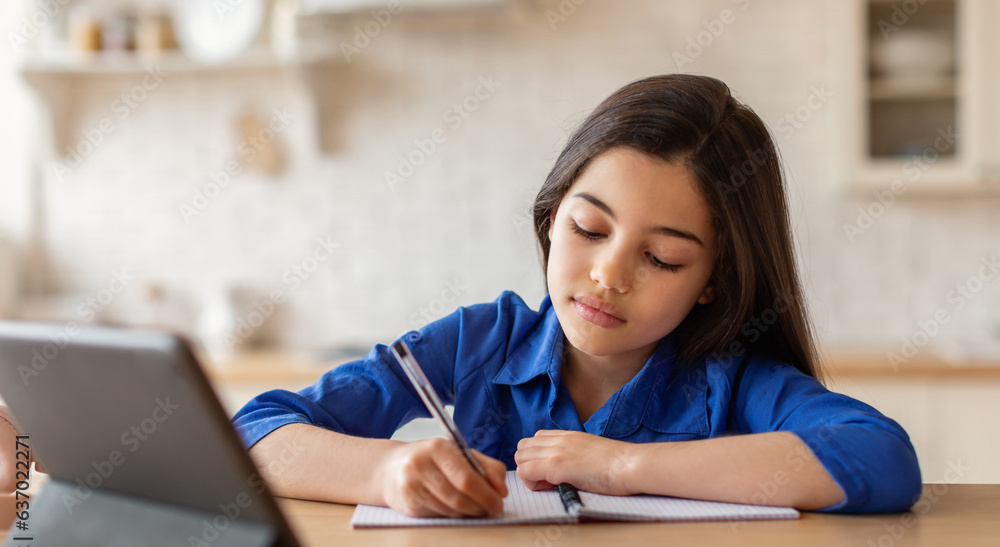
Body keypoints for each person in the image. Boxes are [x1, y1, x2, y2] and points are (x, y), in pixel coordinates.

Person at [233, 74, 922, 518]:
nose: (607, 276)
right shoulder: (479, 343)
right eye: (589, 228)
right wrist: (387, 471)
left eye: (661, 257)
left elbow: (884, 458)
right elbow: (253, 432)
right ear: (552, 213)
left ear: (714, 278)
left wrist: (621, 465)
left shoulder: (732, 379)